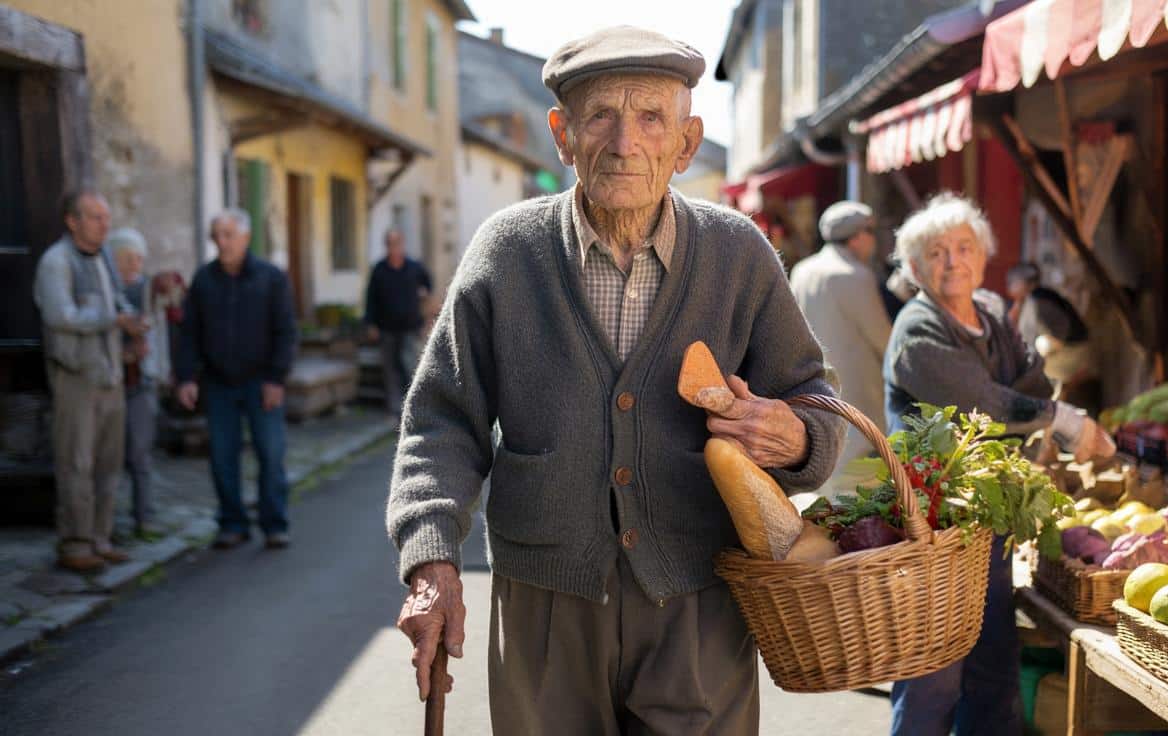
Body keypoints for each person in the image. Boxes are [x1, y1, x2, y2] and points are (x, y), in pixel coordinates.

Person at [388, 26, 844, 735]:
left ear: (687, 144)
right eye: (600, 115)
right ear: (562, 135)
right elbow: (441, 420)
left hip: (699, 597)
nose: (625, 142)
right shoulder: (506, 253)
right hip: (544, 602)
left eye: (651, 118)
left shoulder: (737, 252)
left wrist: (795, 435)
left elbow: (813, 395)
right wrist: (431, 559)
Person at [882, 192, 1114, 735]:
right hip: (935, 524)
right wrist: (1060, 419)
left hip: (989, 518)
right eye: (936, 252)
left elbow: (1031, 381)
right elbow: (981, 404)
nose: (953, 262)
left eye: (964, 247)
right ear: (914, 266)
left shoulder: (988, 314)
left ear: (984, 256)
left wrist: (1039, 411)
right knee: (935, 673)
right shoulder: (917, 329)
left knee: (993, 667)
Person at [175, 209, 297, 550]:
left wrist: (276, 378)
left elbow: (286, 332)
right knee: (222, 456)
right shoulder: (204, 280)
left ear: (246, 237)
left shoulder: (271, 278)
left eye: (229, 235)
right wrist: (186, 377)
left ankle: (274, 523)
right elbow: (189, 333)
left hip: (262, 382)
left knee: (270, 454)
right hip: (218, 383)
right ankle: (232, 523)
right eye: (217, 235)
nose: (222, 242)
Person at [34, 191, 143, 571]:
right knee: (76, 462)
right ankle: (75, 543)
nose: (104, 224)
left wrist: (131, 321)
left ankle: (101, 537)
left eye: (106, 217)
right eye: (95, 217)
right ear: (72, 221)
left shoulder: (105, 257)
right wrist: (112, 319)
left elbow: (117, 302)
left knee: (109, 463)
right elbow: (60, 316)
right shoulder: (55, 261)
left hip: (110, 373)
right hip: (76, 376)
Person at [790, 201, 893, 491]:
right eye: (871, 233)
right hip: (858, 393)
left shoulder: (803, 270)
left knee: (825, 475)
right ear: (858, 237)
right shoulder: (854, 275)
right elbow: (885, 341)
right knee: (859, 483)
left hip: (816, 386)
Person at [108, 228, 169, 538]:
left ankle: (145, 517)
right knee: (108, 458)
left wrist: (159, 368)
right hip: (110, 382)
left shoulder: (148, 291)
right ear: (113, 260)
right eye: (127, 257)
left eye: (139, 258)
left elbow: (164, 326)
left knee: (140, 454)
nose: (135, 264)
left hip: (141, 381)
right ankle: (106, 525)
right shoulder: (107, 291)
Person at [1006, 262, 1099, 408]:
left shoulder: (1038, 302)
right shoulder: (1034, 298)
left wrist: (1037, 355)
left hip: (1076, 352)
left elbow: (1057, 338)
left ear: (1022, 282)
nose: (1009, 289)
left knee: (1032, 372)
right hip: (1071, 349)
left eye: (1011, 283)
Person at [364, 229, 432, 418]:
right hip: (386, 328)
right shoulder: (379, 269)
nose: (394, 248)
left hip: (410, 326)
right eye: (390, 244)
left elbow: (427, 282)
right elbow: (371, 298)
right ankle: (395, 408)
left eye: (397, 243)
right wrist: (370, 323)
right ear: (386, 246)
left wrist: (425, 291)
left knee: (410, 365)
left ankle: (416, 405)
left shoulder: (414, 267)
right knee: (390, 369)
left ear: (402, 245)